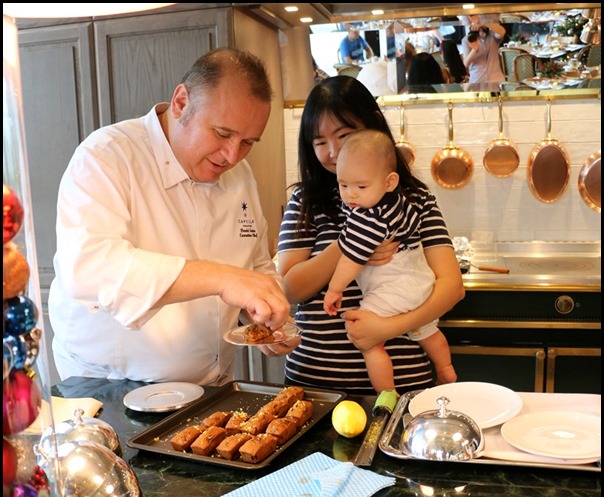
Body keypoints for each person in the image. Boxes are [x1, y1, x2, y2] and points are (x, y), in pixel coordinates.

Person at [48, 48, 297, 385]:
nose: (232, 155)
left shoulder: (240, 176)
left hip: (213, 386)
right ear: (181, 102)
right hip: (112, 390)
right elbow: (90, 268)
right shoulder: (107, 156)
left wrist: (265, 317)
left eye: (248, 142)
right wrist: (224, 279)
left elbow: (253, 266)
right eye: (222, 134)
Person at [277, 76, 465, 395]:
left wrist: (387, 328)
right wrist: (350, 244)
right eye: (320, 141)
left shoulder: (415, 200)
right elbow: (291, 288)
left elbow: (452, 287)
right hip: (314, 386)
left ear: (374, 125)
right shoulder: (305, 201)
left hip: (405, 386)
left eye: (345, 135)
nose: (334, 151)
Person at [323, 129, 457, 392]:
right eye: (343, 185)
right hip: (419, 282)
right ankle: (445, 369)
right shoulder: (400, 203)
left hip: (393, 288)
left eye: (361, 187)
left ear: (390, 181)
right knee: (427, 331)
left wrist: (334, 289)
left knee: (368, 340)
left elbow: (351, 258)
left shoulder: (368, 218)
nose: (351, 195)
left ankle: (387, 393)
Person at [461, 15, 506, 84]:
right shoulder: (466, 40)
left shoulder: (493, 36)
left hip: (495, 79)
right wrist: (474, 49)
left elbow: (502, 31)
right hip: (476, 80)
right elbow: (466, 63)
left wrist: (483, 22)